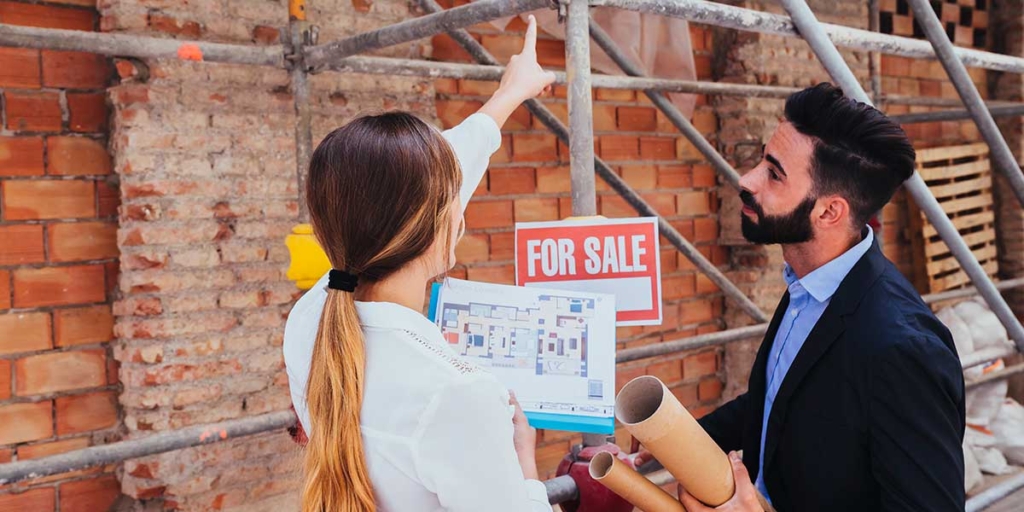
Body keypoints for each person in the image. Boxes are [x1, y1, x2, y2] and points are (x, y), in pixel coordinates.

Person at [637, 83, 965, 512]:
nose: (746, 179)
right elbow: (780, 398)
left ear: (829, 212)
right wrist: (679, 438)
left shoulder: (903, 350)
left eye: (774, 174)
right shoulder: (807, 284)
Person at [282, 16, 557, 512]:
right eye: (455, 199)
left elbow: (408, 182)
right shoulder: (458, 394)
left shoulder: (309, 322)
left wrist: (509, 93)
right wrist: (525, 471)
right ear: (437, 225)